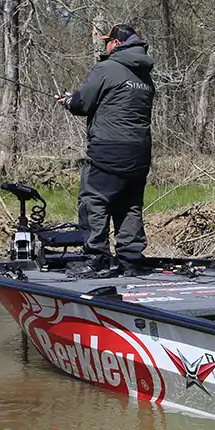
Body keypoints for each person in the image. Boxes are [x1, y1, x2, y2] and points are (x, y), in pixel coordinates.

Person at [57, 23, 156, 278]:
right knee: (129, 205)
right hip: (139, 154)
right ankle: (131, 261)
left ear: (116, 44)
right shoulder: (145, 77)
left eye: (107, 42)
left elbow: (81, 104)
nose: (105, 46)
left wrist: (69, 100)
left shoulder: (106, 68)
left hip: (109, 150)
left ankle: (96, 260)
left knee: (94, 200)